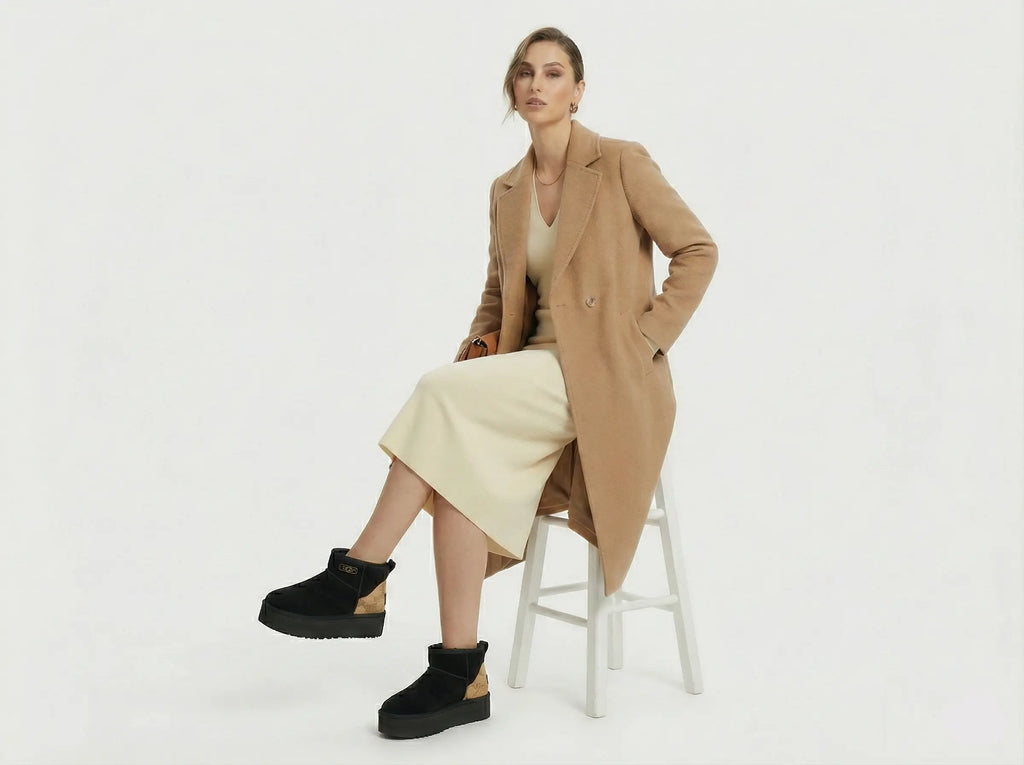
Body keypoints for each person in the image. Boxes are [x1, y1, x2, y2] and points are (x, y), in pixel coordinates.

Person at [256, 26, 718, 740]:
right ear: (513, 89)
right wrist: (477, 351)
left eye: (554, 73)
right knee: (453, 456)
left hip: (608, 379)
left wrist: (645, 338)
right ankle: (459, 669)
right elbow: (499, 303)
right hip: (533, 373)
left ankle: (361, 575)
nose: (537, 84)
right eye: (525, 73)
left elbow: (697, 249)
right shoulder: (506, 190)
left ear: (578, 91)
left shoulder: (621, 163)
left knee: (438, 395)